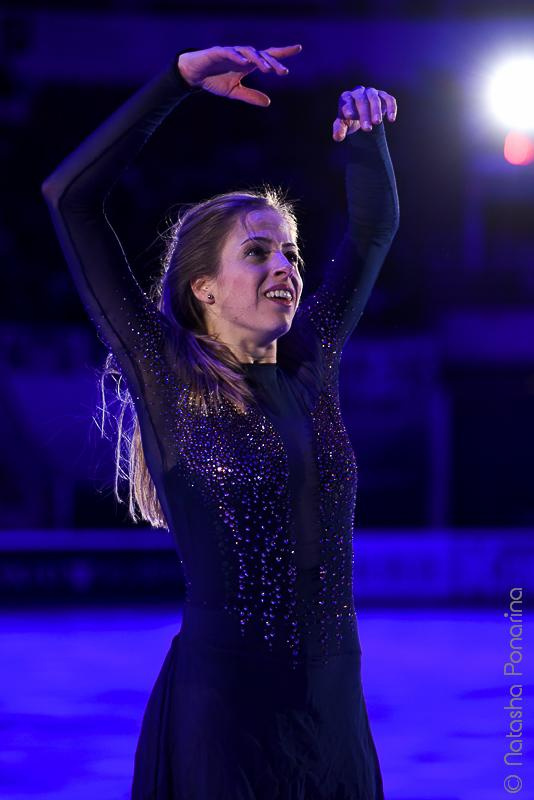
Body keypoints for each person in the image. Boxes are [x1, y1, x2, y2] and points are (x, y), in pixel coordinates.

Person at [41, 43, 399, 800]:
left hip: (334, 710)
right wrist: (176, 82)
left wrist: (367, 135)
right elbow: (70, 197)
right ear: (203, 286)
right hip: (223, 715)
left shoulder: (313, 370)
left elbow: (373, 230)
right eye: (259, 251)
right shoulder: (164, 378)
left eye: (293, 252)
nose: (288, 268)